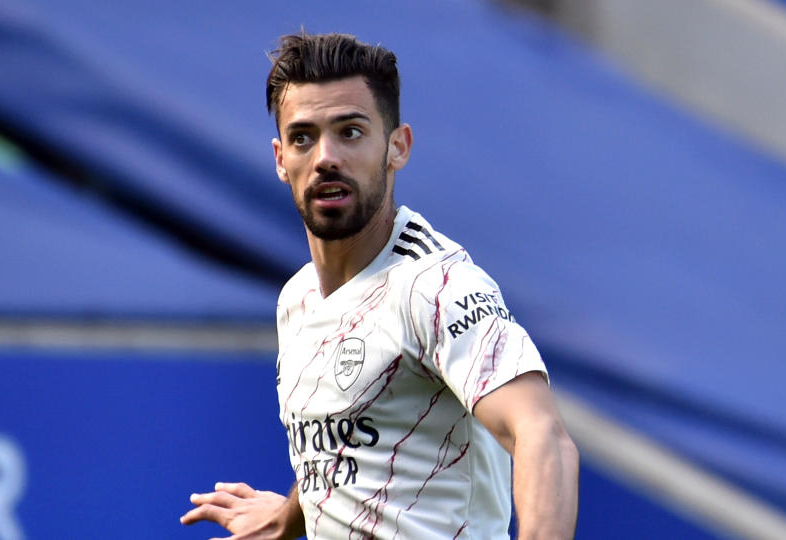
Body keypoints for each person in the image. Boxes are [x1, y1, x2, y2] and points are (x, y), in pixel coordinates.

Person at [181, 31, 579, 540]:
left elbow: (542, 435)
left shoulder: (436, 285)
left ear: (398, 147)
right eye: (303, 137)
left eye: (350, 132)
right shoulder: (297, 298)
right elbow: (350, 437)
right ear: (281, 159)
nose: (326, 157)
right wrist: (287, 517)